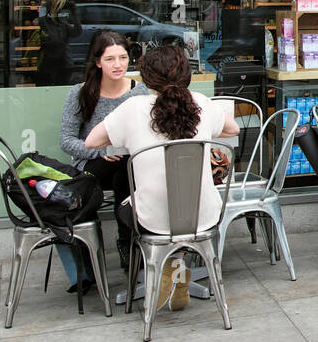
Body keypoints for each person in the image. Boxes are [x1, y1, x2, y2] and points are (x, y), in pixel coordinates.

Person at [84, 45, 239, 311]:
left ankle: (164, 266)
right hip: (203, 215)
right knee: (178, 202)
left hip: (150, 219)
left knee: (129, 202)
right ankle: (177, 266)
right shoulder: (201, 102)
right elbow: (233, 128)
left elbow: (91, 142)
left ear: (146, 77)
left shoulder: (133, 108)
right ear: (186, 74)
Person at [57, 30, 147, 290]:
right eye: (110, 59)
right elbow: (66, 140)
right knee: (119, 166)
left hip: (129, 166)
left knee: (124, 171)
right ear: (97, 62)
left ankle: (126, 243)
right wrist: (100, 151)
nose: (118, 65)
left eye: (123, 57)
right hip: (93, 166)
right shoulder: (81, 93)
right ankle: (128, 244)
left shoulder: (139, 92)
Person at [35, 0, 81, 86]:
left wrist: (74, 14)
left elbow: (77, 32)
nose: (56, 9)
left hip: (62, 62)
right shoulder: (43, 21)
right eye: (54, 5)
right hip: (49, 63)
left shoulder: (62, 22)